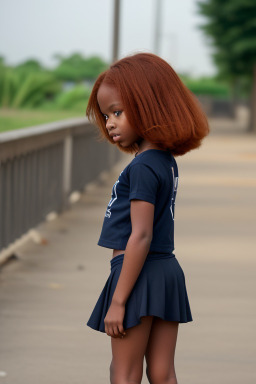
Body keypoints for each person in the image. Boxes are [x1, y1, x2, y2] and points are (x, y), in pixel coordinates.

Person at [86, 52, 209, 384]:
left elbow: (140, 235)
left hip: (136, 275)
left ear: (149, 105)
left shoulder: (141, 166)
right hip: (166, 272)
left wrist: (118, 300)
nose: (109, 122)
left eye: (117, 112)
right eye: (106, 114)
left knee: (123, 373)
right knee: (162, 372)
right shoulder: (163, 160)